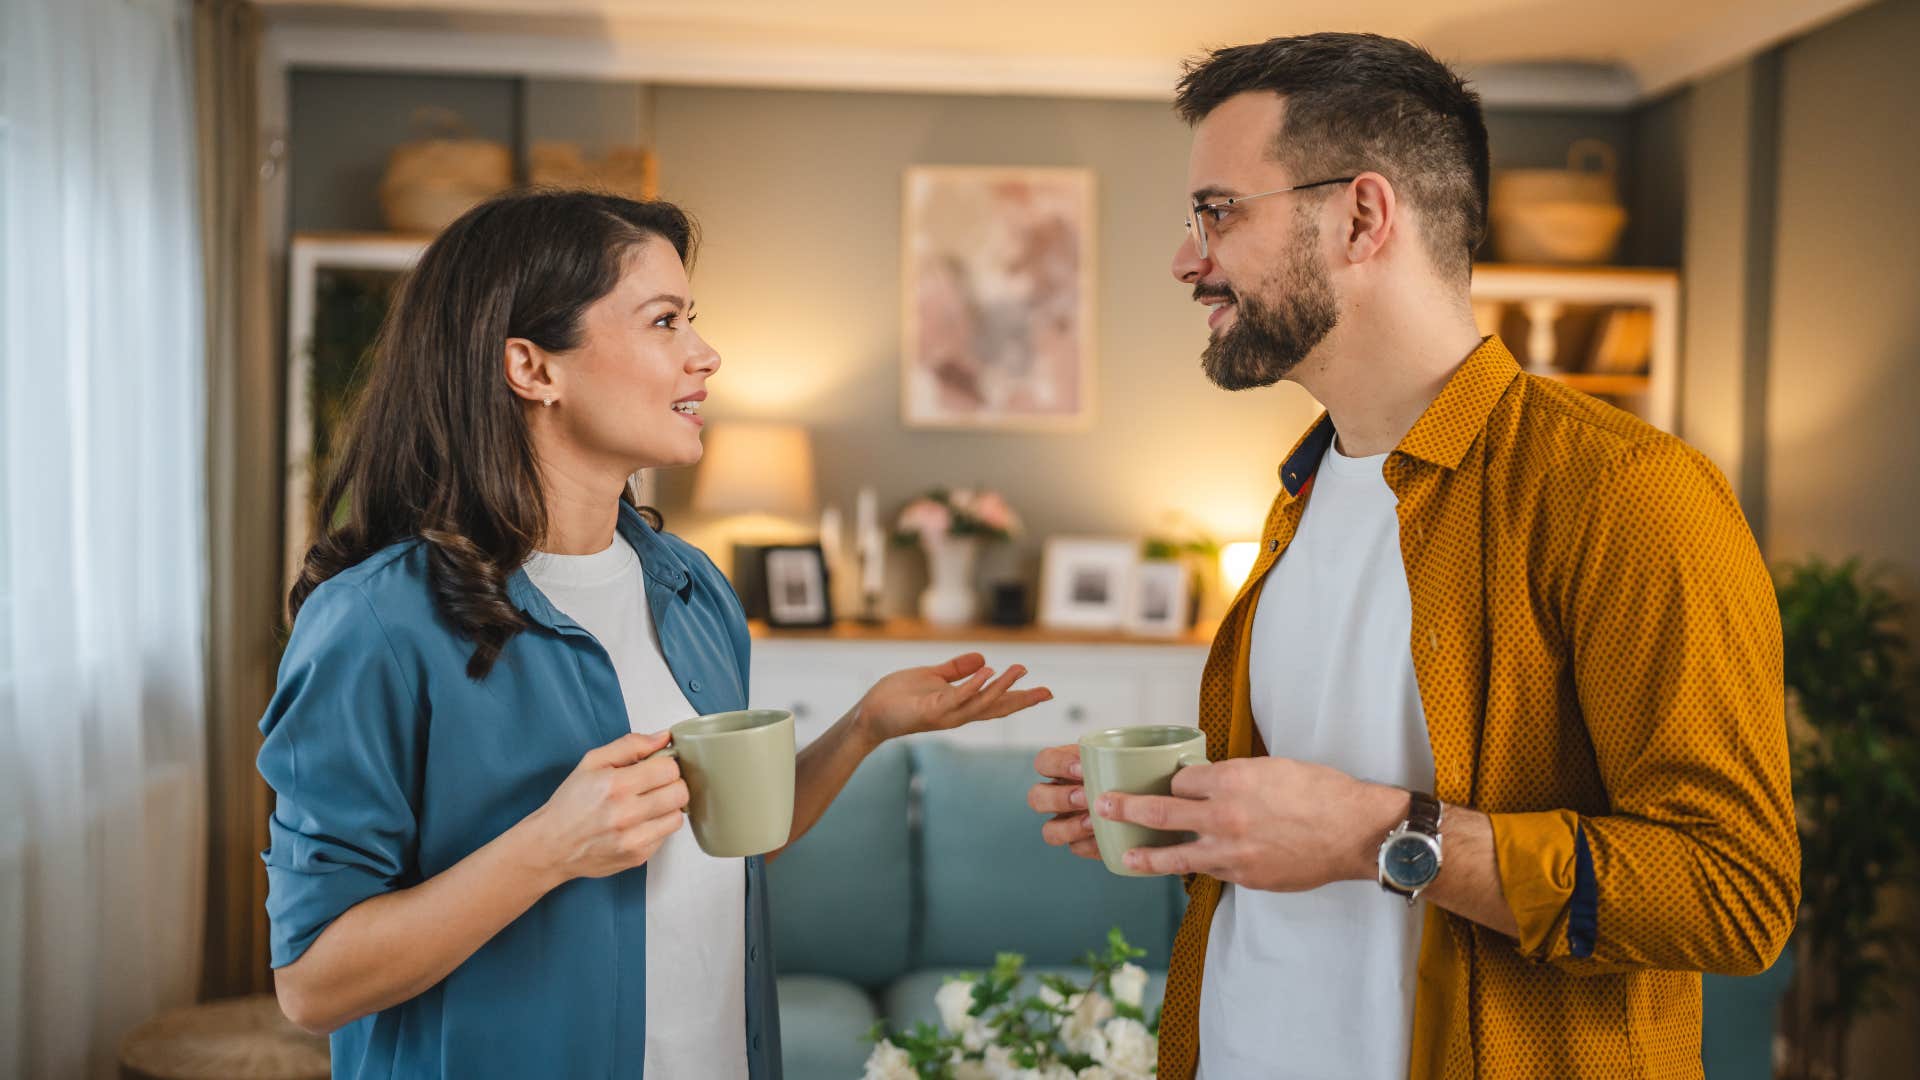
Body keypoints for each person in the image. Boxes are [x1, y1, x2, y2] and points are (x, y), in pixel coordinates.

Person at [1027, 32, 1797, 1079]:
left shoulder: (1627, 494)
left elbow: (1734, 894)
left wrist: (1375, 835)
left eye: (1218, 211)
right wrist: (1193, 814)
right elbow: (1318, 819)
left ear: (1361, 217)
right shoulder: (1301, 497)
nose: (1186, 258)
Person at [260, 190, 1051, 1078]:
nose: (705, 355)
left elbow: (726, 838)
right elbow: (313, 982)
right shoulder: (378, 622)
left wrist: (864, 727)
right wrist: (548, 849)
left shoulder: (692, 588)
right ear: (532, 367)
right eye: (665, 321)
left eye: (691, 320)